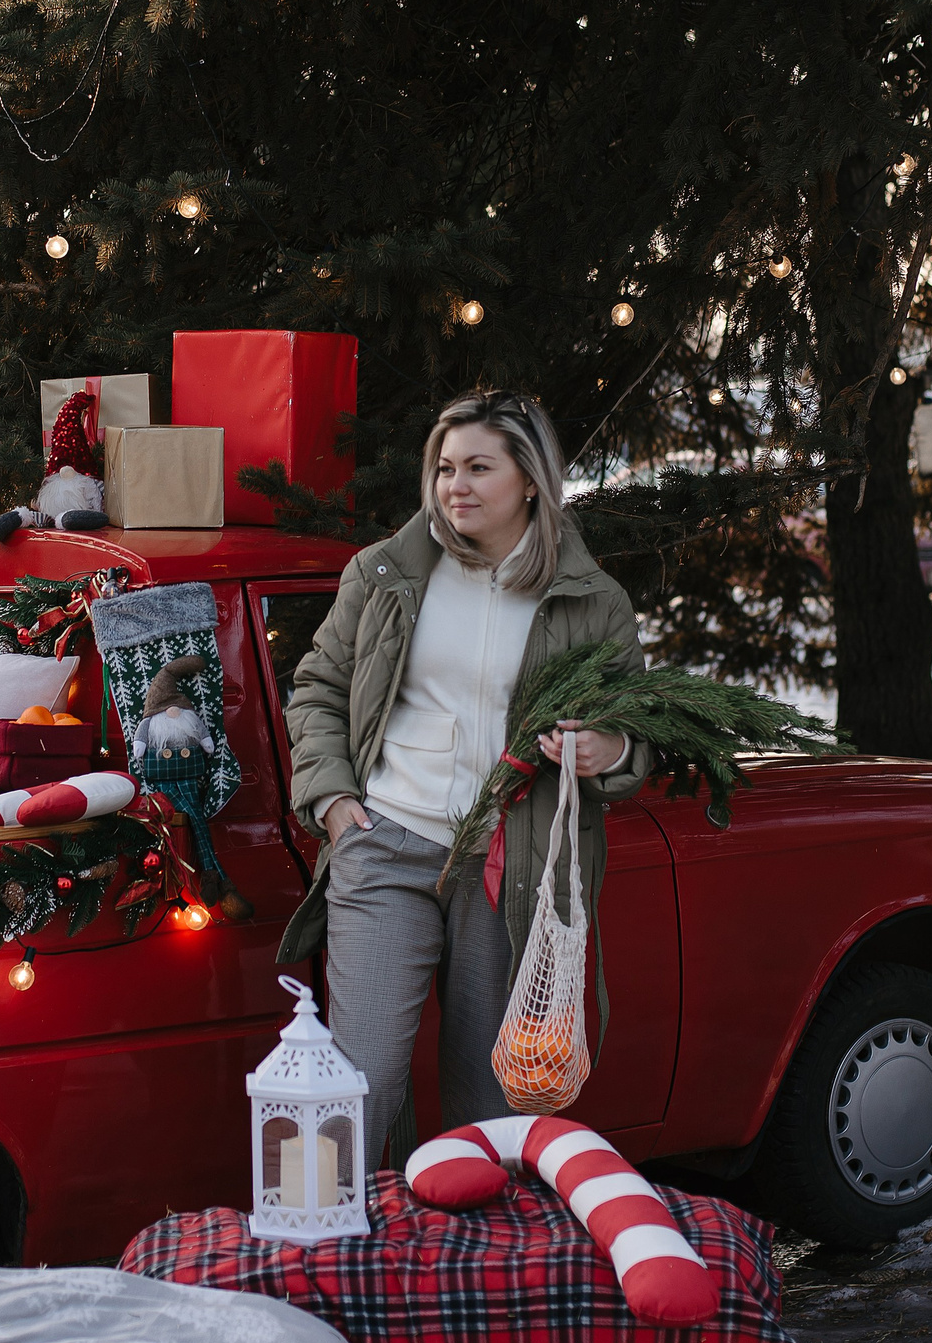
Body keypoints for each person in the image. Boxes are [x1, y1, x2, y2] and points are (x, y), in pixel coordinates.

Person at [275, 389, 652, 1162]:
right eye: (445, 467)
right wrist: (336, 800)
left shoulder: (591, 601)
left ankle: (466, 1267)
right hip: (386, 845)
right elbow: (315, 686)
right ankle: (333, 1254)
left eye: (479, 467)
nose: (456, 485)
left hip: (508, 864)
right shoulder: (384, 574)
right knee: (360, 1078)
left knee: (491, 1101)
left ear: (530, 480)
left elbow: (638, 733)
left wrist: (606, 751)